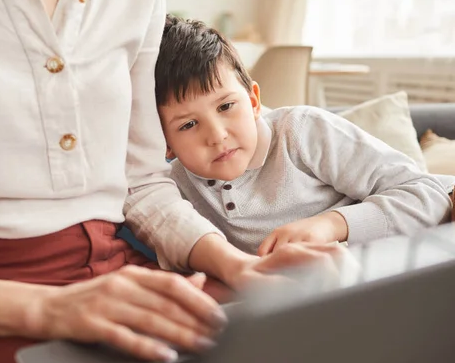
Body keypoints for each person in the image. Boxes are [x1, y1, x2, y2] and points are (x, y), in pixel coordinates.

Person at [0, 0, 345, 363]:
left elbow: (140, 182)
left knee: (292, 336)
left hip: (118, 273)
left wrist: (235, 264)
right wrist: (50, 310)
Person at [155, 15, 453, 257]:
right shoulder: (170, 186)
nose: (217, 136)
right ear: (165, 143)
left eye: (226, 106)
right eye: (188, 125)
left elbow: (428, 195)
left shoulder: (302, 131)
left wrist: (330, 226)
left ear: (254, 101)